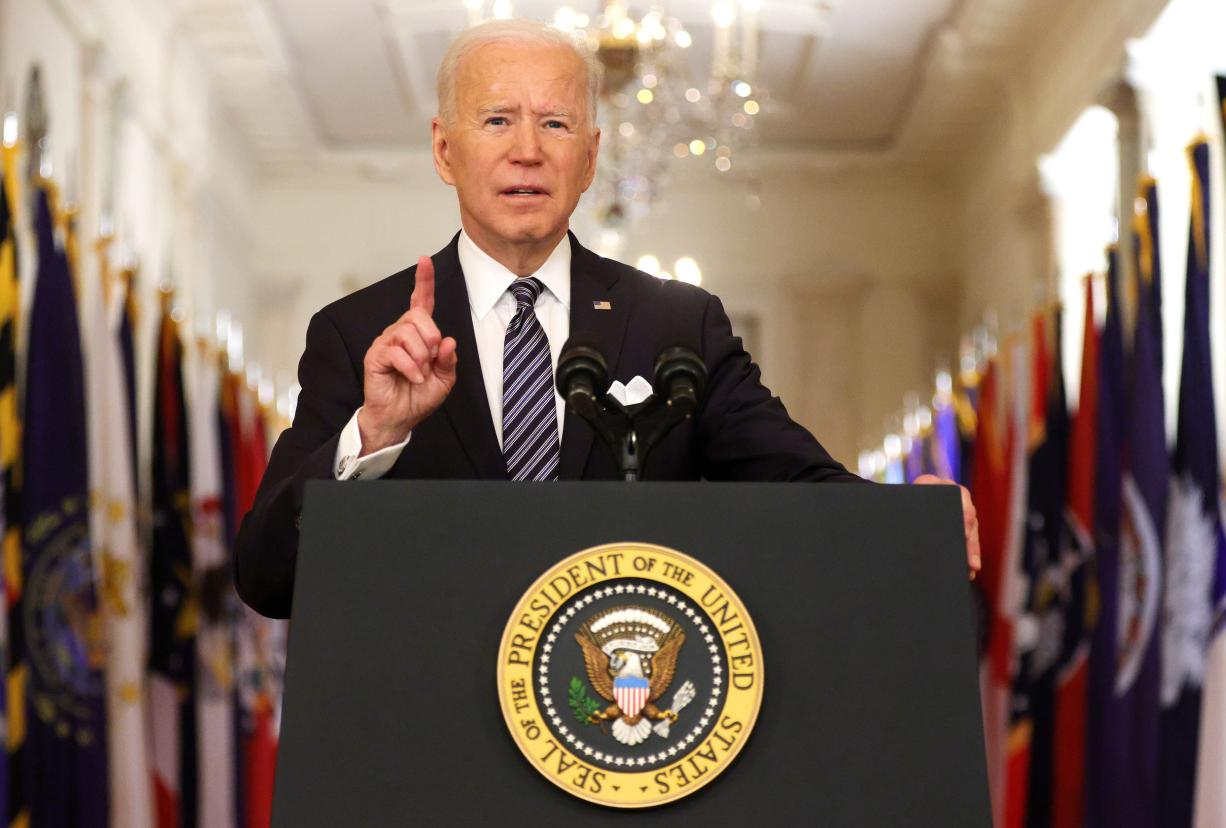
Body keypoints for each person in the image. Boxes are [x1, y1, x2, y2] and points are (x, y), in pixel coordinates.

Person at [233, 19, 980, 619]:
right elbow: (268, 577)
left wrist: (904, 520)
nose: (527, 151)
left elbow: (793, 478)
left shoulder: (676, 325)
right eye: (497, 120)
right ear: (443, 149)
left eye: (555, 125)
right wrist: (375, 435)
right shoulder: (359, 333)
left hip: (627, 740)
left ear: (589, 159)